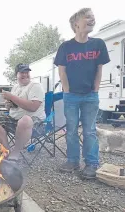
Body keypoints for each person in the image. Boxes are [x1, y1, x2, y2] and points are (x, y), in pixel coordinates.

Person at [54, 8, 110, 179]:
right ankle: (73, 161)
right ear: (76, 24)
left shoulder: (98, 44)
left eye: (93, 17)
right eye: (87, 17)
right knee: (70, 130)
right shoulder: (66, 47)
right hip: (71, 96)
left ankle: (92, 164)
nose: (92, 19)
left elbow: (99, 69)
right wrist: (67, 90)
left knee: (90, 131)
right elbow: (62, 71)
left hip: (90, 96)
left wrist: (95, 89)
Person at [0, 64, 46, 161]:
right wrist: (9, 104)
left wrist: (11, 97)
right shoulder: (15, 87)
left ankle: (16, 152)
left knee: (25, 120)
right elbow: (15, 105)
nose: (25, 75)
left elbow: (33, 107)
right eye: (22, 72)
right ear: (16, 75)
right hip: (15, 120)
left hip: (34, 123)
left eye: (27, 72)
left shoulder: (35, 86)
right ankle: (6, 150)